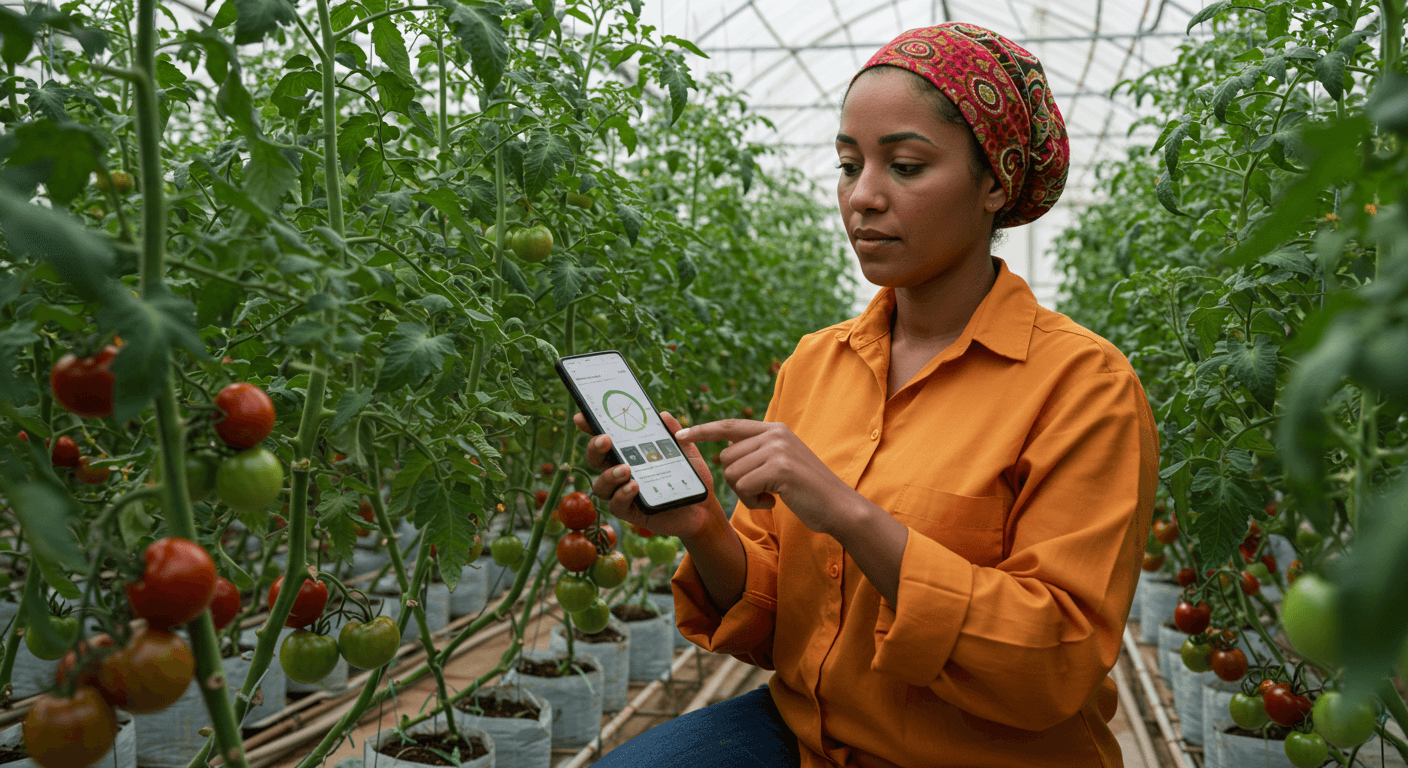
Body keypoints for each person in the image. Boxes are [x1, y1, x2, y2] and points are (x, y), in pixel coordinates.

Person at [579, 23, 1159, 768]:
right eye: (849, 165)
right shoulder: (817, 364)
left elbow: (1054, 659)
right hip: (809, 734)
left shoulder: (1085, 387)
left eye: (907, 166)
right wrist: (703, 529)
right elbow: (780, 622)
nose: (864, 197)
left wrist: (850, 514)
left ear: (995, 185)